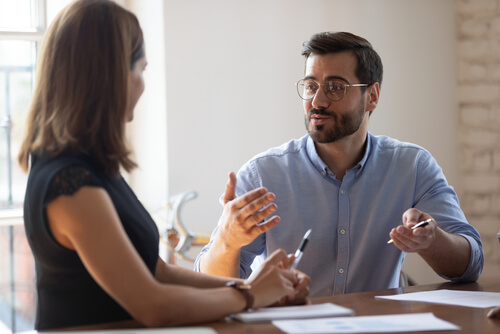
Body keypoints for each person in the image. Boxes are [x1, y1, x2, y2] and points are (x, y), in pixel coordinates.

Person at [18, 0, 309, 330]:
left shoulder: (93, 170)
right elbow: (154, 306)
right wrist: (251, 296)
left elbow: (159, 272)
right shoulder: (71, 185)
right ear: (111, 76)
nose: (143, 83)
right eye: (141, 69)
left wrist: (261, 289)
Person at [194, 31, 484, 298]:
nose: (317, 101)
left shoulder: (412, 166)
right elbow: (209, 284)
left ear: (372, 96)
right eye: (310, 86)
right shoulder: (262, 175)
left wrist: (432, 240)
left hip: (380, 328)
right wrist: (227, 241)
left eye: (335, 87)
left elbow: (470, 265)